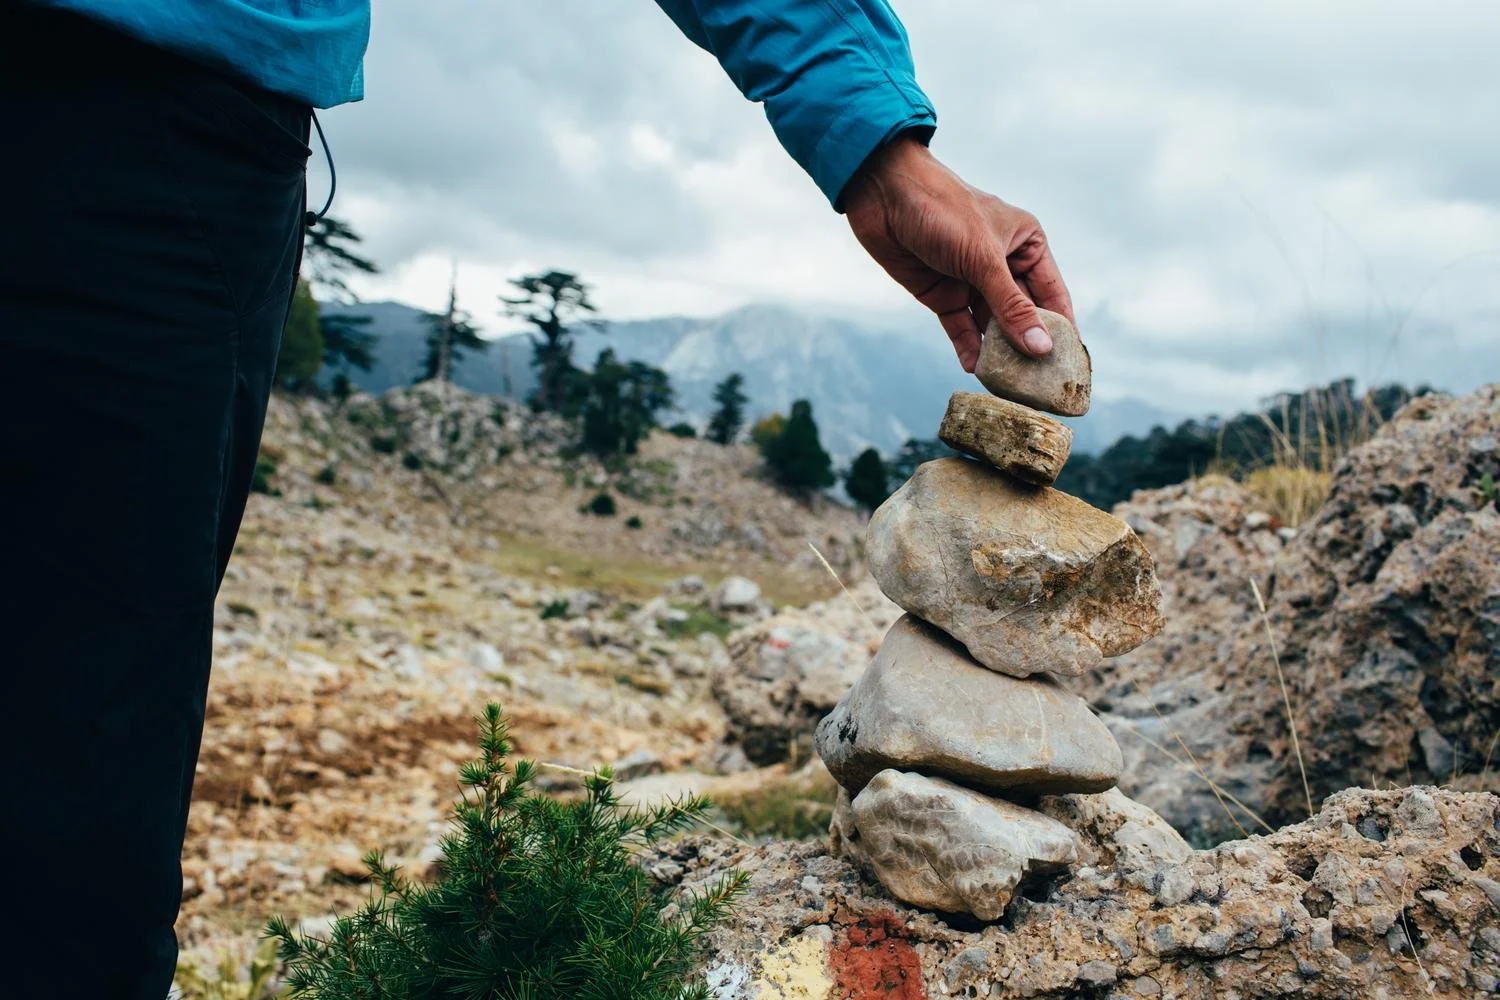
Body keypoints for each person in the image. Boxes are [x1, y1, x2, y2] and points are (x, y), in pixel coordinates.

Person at [0, 2, 1074, 996]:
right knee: (82, 767)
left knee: (78, 791)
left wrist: (874, 139)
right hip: (166, 120)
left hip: (156, 107)